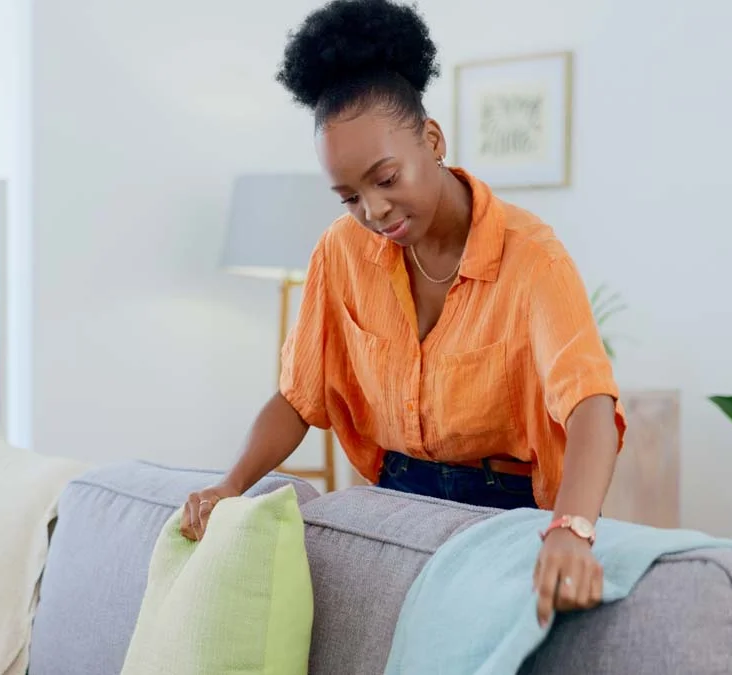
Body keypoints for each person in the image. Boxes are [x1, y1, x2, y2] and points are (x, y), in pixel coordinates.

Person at [182, 0, 627, 626]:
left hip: (502, 505)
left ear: (433, 141)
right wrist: (230, 485)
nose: (374, 210)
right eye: (350, 196)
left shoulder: (533, 259)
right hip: (392, 498)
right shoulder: (341, 251)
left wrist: (572, 529)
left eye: (386, 179)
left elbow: (590, 407)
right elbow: (297, 398)